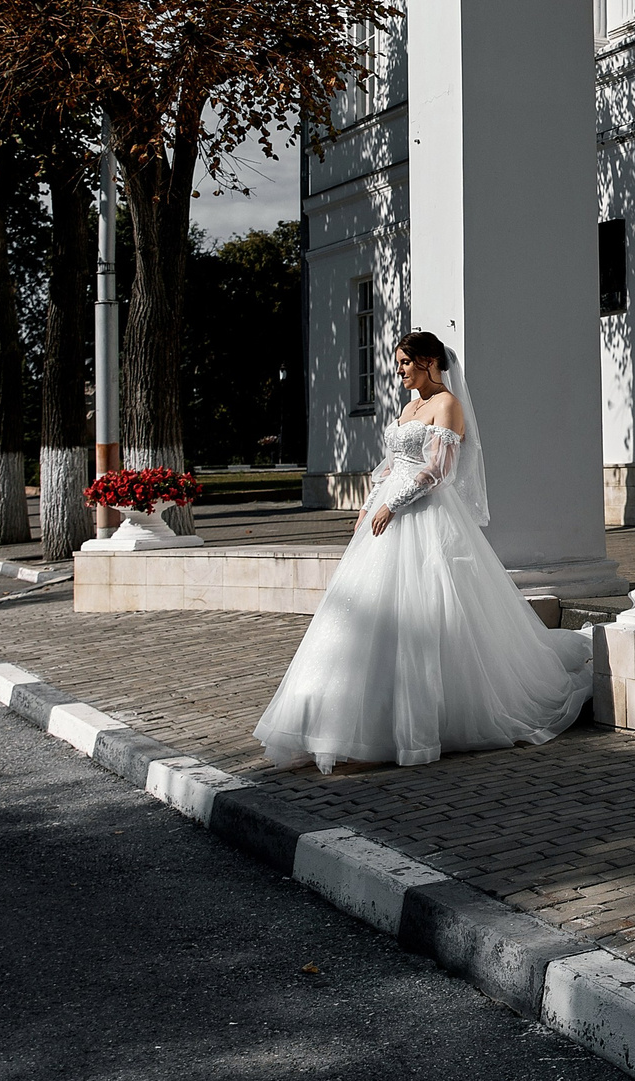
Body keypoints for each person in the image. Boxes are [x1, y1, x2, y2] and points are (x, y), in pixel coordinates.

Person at [253, 330, 592, 772]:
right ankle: (352, 719)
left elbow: (439, 470)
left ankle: (430, 718)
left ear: (430, 361)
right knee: (366, 611)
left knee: (430, 608)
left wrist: (393, 504)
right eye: (398, 363)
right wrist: (370, 503)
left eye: (405, 363)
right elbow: (392, 465)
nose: (399, 371)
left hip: (425, 516)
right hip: (386, 516)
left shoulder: (447, 405)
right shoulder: (410, 406)